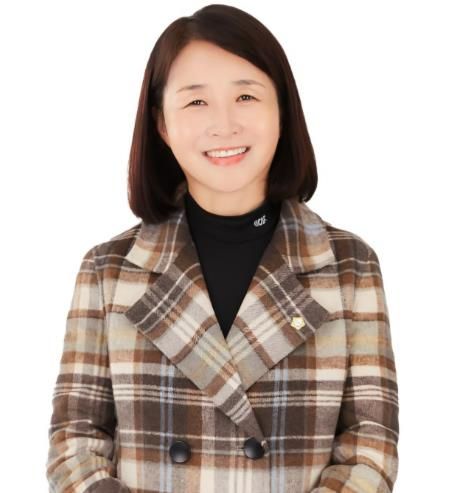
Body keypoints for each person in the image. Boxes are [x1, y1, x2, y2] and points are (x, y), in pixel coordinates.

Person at [46, 4, 399, 492]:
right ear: (162, 125)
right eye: (196, 102)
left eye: (246, 96)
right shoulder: (109, 271)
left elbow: (370, 449)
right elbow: (74, 444)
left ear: (282, 111)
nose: (225, 124)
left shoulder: (348, 267)